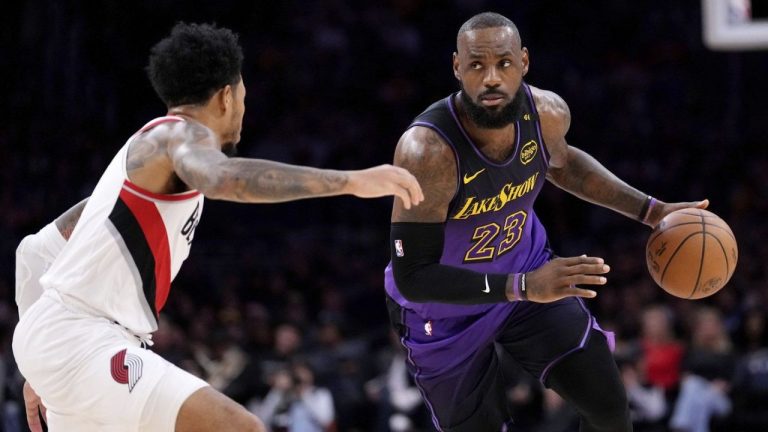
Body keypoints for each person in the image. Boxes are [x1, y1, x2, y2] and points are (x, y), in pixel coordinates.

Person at [13, 22, 422, 432]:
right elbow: (223, 178)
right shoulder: (179, 135)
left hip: (67, 341)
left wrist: (39, 361)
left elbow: (32, 251)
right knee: (242, 428)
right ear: (227, 96)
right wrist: (352, 181)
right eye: (244, 94)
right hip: (83, 339)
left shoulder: (130, 170)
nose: (244, 106)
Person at [384, 12, 707, 432]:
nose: (492, 79)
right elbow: (412, 276)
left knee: (609, 408)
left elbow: (564, 164)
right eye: (477, 65)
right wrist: (521, 287)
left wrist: (650, 210)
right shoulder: (426, 152)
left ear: (524, 62)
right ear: (457, 67)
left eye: (503, 63)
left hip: (526, 272)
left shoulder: (546, 115)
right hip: (443, 312)